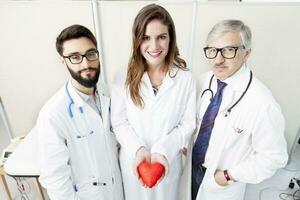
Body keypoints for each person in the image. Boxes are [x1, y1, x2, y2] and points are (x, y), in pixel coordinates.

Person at [181, 19, 288, 200]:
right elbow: (191, 122)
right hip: (189, 169)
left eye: (229, 50)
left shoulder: (263, 103)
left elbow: (275, 157)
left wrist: (229, 176)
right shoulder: (201, 81)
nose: (218, 59)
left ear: (246, 53)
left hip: (219, 182)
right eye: (212, 51)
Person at [110, 4, 196, 200]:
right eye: (146, 38)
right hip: (134, 162)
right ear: (137, 40)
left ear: (171, 38)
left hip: (168, 163)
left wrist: (163, 150)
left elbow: (188, 124)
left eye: (161, 37)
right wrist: (138, 149)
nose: (155, 46)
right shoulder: (123, 76)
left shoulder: (184, 78)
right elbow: (119, 122)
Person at [37, 24, 123, 200]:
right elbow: (55, 179)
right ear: (63, 61)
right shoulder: (52, 114)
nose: (86, 63)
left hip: (118, 193)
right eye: (75, 57)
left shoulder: (107, 92)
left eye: (91, 54)